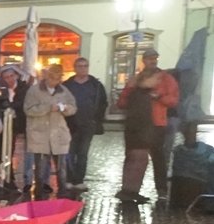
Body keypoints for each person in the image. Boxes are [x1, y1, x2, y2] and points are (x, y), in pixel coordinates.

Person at [118, 47, 179, 204]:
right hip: (137, 125)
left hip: (156, 124)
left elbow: (173, 100)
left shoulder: (165, 78)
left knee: (158, 158)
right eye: (149, 58)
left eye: (154, 58)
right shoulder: (136, 79)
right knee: (134, 158)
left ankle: (161, 190)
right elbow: (122, 101)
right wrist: (132, 98)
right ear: (144, 60)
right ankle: (130, 190)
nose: (152, 61)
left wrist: (158, 96)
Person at [22, 64, 79, 197]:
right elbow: (28, 109)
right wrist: (47, 108)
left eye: (57, 79)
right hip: (40, 135)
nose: (54, 82)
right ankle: (39, 195)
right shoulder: (34, 91)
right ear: (47, 77)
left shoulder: (64, 91)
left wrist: (64, 108)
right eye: (52, 79)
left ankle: (62, 195)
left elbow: (73, 107)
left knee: (62, 170)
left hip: (59, 135)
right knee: (40, 171)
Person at [62, 57, 108, 185]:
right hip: (70, 124)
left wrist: (97, 120)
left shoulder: (96, 86)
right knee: (70, 153)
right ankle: (69, 179)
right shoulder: (67, 85)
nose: (83, 69)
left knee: (83, 153)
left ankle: (79, 180)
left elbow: (103, 103)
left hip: (88, 124)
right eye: (80, 66)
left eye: (85, 66)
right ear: (75, 68)